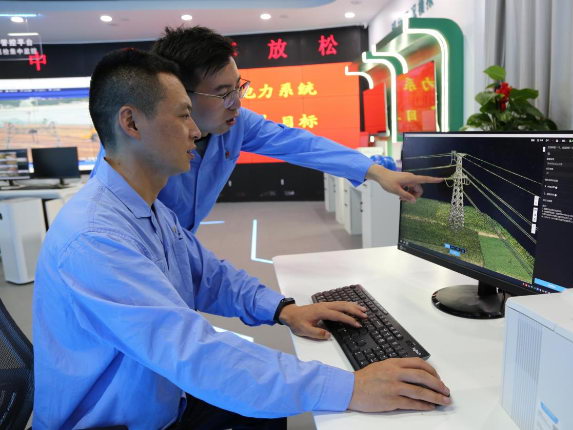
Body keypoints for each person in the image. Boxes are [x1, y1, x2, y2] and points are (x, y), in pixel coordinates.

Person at [33, 49, 450, 429]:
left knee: (266, 409)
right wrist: (351, 388)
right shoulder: (97, 239)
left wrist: (284, 309)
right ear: (131, 122)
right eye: (184, 115)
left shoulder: (147, 208)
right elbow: (191, 351)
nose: (195, 131)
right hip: (117, 419)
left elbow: (207, 276)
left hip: (160, 391)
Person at [92, 26, 441, 232]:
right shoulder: (136, 153)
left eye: (238, 88)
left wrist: (376, 172)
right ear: (179, 93)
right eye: (222, 93)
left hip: (180, 252)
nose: (236, 103)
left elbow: (299, 143)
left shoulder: (236, 124)